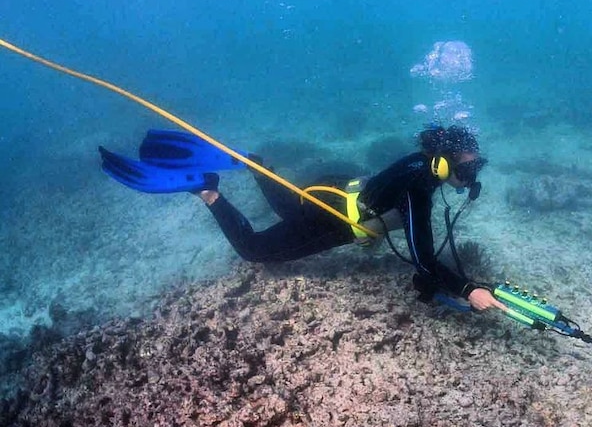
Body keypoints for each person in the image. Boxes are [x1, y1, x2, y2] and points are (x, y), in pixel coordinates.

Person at [100, 125, 507, 312]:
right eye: (469, 168)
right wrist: (467, 288)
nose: (473, 176)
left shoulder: (417, 168)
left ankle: (256, 165)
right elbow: (422, 259)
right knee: (255, 250)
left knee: (288, 207)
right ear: (441, 162)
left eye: (476, 167)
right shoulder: (418, 186)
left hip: (329, 192)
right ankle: (207, 189)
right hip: (330, 219)